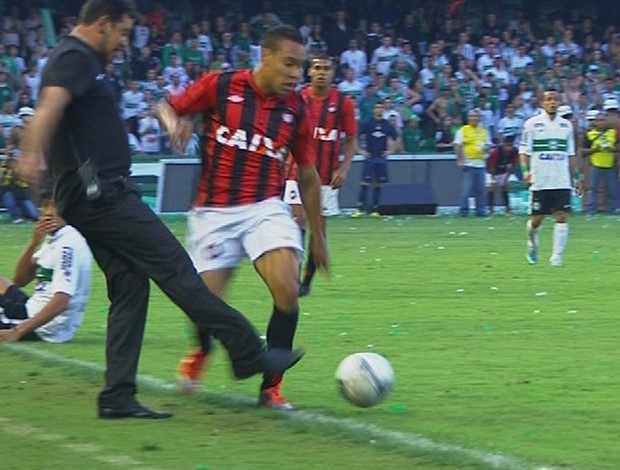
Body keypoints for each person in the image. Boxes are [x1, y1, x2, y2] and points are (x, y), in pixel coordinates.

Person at [16, 0, 303, 420]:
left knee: (131, 289)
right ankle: (249, 354)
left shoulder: (76, 59)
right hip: (102, 195)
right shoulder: (75, 57)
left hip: (92, 194)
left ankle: (117, 396)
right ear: (102, 24)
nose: (123, 44)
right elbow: (51, 106)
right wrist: (31, 152)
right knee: (177, 271)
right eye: (122, 33)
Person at [156, 25, 329, 410]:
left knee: (287, 289)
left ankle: (271, 387)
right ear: (265, 56)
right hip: (213, 211)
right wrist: (173, 125)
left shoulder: (296, 109)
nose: (294, 75)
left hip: (265, 208)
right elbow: (167, 106)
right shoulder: (221, 86)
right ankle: (201, 350)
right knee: (206, 305)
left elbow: (308, 173)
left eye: (300, 67)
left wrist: (318, 236)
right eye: (288, 64)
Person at [299, 54, 357, 297]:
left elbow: (352, 139)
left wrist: (343, 169)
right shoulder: (299, 98)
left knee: (318, 230)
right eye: (317, 68)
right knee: (295, 227)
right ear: (310, 72)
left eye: (326, 68)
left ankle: (306, 283)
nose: (321, 72)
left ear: (333, 73)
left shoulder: (343, 103)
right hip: (297, 175)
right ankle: (290, 277)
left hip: (325, 179)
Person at [0, 190, 92, 342]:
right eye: (45, 205)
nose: (48, 212)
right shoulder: (57, 237)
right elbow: (20, 280)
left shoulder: (67, 245)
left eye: (54, 206)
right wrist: (33, 243)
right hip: (32, 308)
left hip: (44, 326)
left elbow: (61, 301)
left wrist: (17, 332)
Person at [520, 88, 581, 267]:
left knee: (561, 216)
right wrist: (525, 171)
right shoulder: (532, 124)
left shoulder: (566, 126)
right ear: (542, 103)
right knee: (537, 220)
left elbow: (571, 154)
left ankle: (556, 258)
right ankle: (532, 242)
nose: (552, 102)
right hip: (540, 180)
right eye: (549, 99)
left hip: (561, 179)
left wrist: (576, 178)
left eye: (555, 99)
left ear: (559, 103)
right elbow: (523, 151)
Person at [351, 100, 398, 217]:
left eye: (381, 107)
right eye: (377, 107)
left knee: (379, 183)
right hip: (370, 157)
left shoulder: (387, 124)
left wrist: (391, 151)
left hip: (381, 158)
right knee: (365, 182)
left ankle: (375, 208)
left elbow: (396, 137)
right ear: (374, 110)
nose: (379, 109)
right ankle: (360, 208)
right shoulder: (367, 123)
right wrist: (360, 150)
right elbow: (355, 136)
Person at [454, 109, 492, 217]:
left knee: (481, 190)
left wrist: (486, 149)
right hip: (469, 164)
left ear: (479, 118)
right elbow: (458, 145)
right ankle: (463, 211)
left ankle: (480, 211)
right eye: (472, 116)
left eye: (476, 116)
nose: (474, 118)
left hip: (481, 163)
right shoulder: (463, 130)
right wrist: (460, 160)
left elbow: (489, 145)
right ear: (468, 118)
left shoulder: (484, 131)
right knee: (466, 190)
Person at [581, 112, 618, 216]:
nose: (601, 122)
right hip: (595, 165)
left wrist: (612, 149)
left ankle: (613, 210)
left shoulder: (613, 132)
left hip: (610, 165)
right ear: (595, 122)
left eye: (603, 120)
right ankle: (591, 211)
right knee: (593, 189)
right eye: (598, 120)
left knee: (612, 189)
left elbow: (618, 147)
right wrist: (594, 150)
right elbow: (583, 150)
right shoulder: (589, 133)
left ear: (606, 121)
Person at [486, 134, 519, 216]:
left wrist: (506, 178)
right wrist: (493, 179)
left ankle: (507, 210)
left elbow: (512, 165)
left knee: (505, 187)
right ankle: (491, 210)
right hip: (491, 171)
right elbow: (491, 166)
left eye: (510, 146)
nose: (509, 148)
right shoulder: (496, 152)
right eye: (507, 146)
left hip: (503, 170)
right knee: (492, 188)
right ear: (503, 144)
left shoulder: (515, 151)